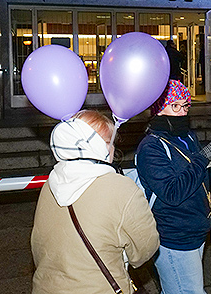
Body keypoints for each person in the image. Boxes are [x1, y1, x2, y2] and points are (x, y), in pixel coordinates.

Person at [31, 110, 160, 294]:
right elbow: (145, 249)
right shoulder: (121, 188)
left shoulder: (50, 183)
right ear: (97, 146)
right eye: (108, 142)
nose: (112, 148)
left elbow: (38, 246)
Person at [136, 79, 211, 294]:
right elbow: (172, 193)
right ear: (158, 109)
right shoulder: (151, 147)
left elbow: (196, 183)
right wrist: (202, 159)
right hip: (173, 236)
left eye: (185, 106)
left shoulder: (187, 136)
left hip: (195, 228)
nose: (181, 112)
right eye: (175, 106)